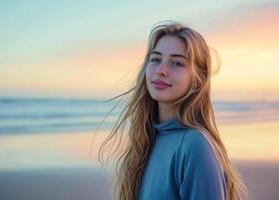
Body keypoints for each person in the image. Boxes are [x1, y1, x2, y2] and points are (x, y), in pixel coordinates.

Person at [97, 21, 250, 200]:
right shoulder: (146, 139)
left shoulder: (195, 146)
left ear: (198, 78)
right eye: (155, 59)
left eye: (176, 63)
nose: (162, 70)